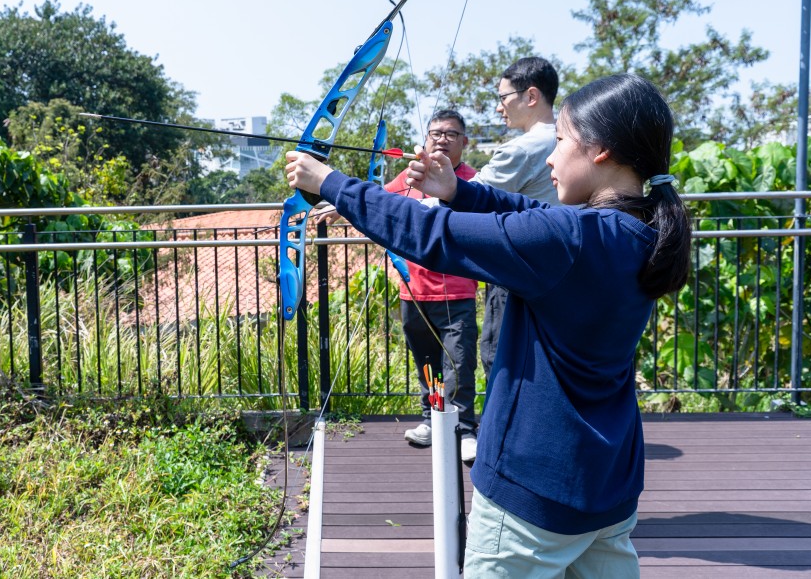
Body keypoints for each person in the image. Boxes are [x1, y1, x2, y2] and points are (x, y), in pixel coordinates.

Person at [285, 73, 691, 576]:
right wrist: (461, 190)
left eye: (561, 141)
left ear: (600, 149)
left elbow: (428, 232)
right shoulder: (641, 231)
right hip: (608, 488)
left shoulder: (569, 239)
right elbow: (529, 212)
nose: (550, 156)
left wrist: (330, 183)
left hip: (532, 494)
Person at [383, 110, 479, 463]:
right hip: (413, 290)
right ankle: (430, 420)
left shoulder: (475, 182)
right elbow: (377, 200)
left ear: (464, 143)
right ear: (425, 139)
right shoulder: (411, 176)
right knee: (426, 362)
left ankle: (464, 429)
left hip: (457, 291)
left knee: (459, 363)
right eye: (435, 132)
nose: (442, 139)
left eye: (452, 134)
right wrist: (337, 203)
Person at [476, 57, 560, 386]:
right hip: (564, 270)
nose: (500, 108)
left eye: (503, 97)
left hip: (517, 273)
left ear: (531, 96)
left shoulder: (523, 150)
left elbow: (462, 197)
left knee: (501, 359)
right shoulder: (577, 139)